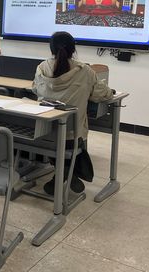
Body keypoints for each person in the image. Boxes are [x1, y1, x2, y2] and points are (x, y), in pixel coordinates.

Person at [31, 31, 115, 194]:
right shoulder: (85, 71)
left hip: (43, 133)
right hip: (72, 136)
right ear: (73, 49)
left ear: (51, 49)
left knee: (58, 140)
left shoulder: (42, 67)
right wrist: (110, 91)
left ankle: (63, 173)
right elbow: (101, 94)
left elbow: (35, 89)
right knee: (72, 141)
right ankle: (68, 173)